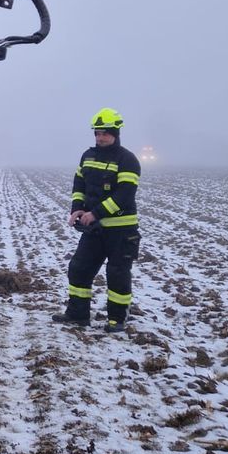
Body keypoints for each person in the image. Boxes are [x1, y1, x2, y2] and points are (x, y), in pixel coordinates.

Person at [52, 107, 142, 333]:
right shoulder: (88, 156)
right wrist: (76, 209)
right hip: (94, 229)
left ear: (116, 133)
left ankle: (117, 320)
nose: (100, 137)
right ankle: (77, 314)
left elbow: (124, 195)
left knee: (117, 275)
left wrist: (96, 213)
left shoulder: (127, 160)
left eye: (105, 133)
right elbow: (79, 185)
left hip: (121, 231)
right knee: (79, 269)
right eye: (97, 133)